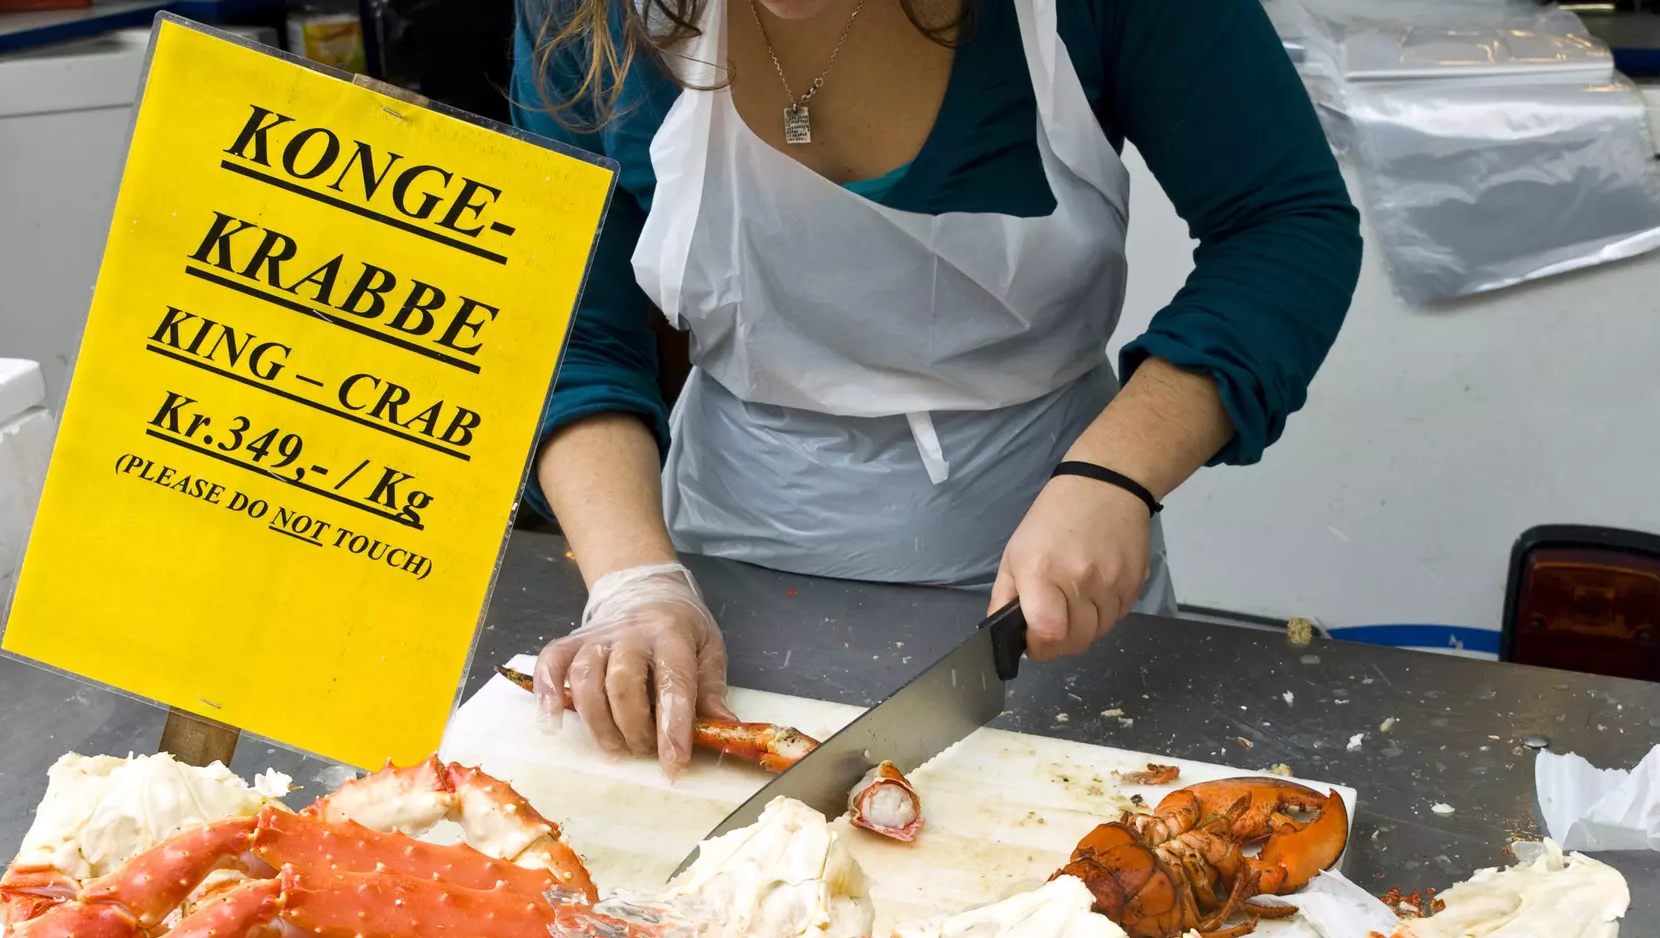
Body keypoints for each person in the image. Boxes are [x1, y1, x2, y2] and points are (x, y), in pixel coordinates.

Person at [515, 0, 1360, 773]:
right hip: (722, 593)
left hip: (1052, 592)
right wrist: (632, 585)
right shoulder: (581, 17)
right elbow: (571, 324)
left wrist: (1116, 476)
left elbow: (1283, 224)